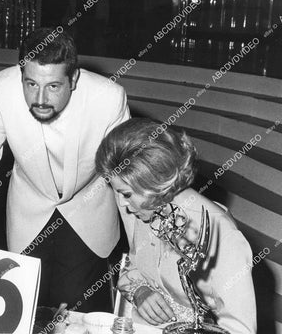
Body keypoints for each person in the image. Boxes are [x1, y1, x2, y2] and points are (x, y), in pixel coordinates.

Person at [0, 27, 130, 312]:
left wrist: (137, 248)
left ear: (73, 79)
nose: (40, 98)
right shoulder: (1, 89)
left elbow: (128, 175)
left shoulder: (109, 98)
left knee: (75, 314)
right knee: (20, 310)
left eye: (53, 86)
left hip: (88, 213)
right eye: (31, 83)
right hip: (28, 212)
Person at [95, 118, 256, 333]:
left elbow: (239, 329)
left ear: (154, 184)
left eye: (126, 194)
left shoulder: (220, 233)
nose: (122, 204)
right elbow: (133, 267)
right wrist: (141, 292)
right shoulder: (145, 209)